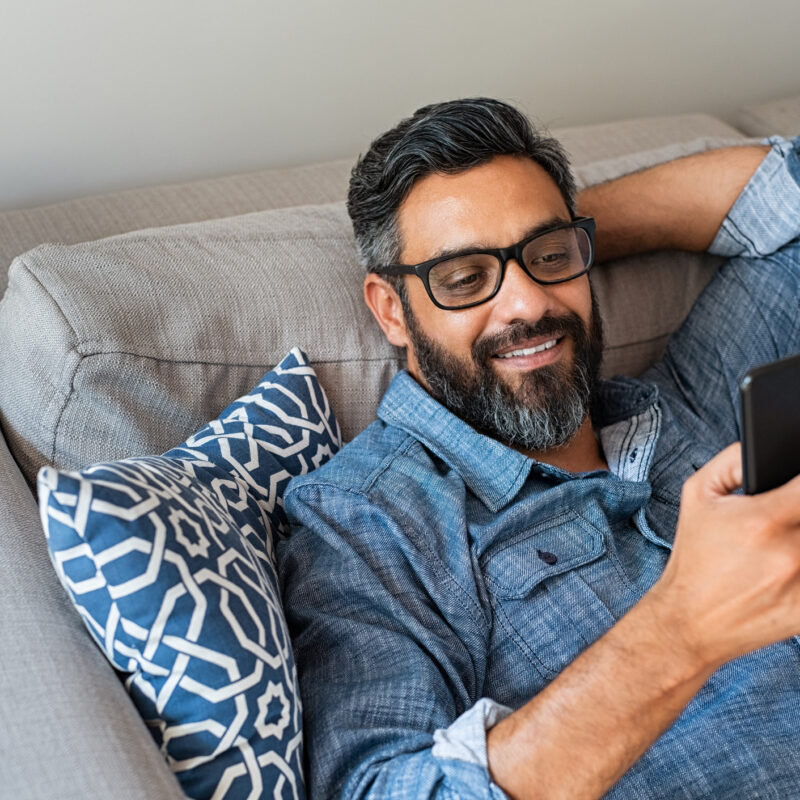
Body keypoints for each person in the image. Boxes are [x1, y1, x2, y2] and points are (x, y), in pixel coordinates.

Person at [276, 98, 800, 800]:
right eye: (463, 278)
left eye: (550, 257)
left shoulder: (689, 399)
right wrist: (680, 630)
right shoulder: (367, 520)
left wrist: (556, 240)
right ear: (391, 309)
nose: (526, 304)